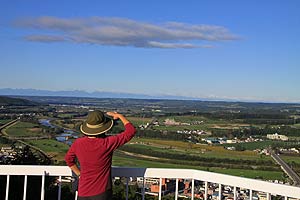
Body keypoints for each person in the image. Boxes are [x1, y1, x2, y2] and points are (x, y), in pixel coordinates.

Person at [65, 110, 136, 200]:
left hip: (83, 192)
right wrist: (119, 115)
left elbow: (68, 159)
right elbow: (131, 131)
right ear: (104, 128)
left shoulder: (78, 143)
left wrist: (79, 174)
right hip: (102, 192)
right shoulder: (107, 143)